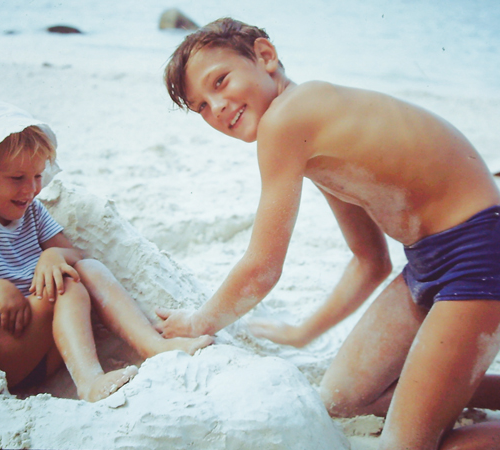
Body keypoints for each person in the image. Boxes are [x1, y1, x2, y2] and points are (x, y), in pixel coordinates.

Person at [156, 17, 500, 449]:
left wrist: (197, 321)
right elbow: (370, 262)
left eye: (220, 82)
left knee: (404, 444)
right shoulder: (309, 135)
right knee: (344, 401)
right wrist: (303, 332)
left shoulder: (288, 119)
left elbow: (263, 267)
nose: (217, 107)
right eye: (201, 106)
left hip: (479, 254)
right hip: (427, 262)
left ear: (265, 56)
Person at [0, 100, 213, 402]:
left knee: (87, 269)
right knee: (66, 285)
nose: (31, 189)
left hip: (47, 351)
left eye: (37, 176)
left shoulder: (32, 212)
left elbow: (77, 257)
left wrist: (52, 255)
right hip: (3, 350)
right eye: (17, 178)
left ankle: (152, 346)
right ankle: (89, 382)